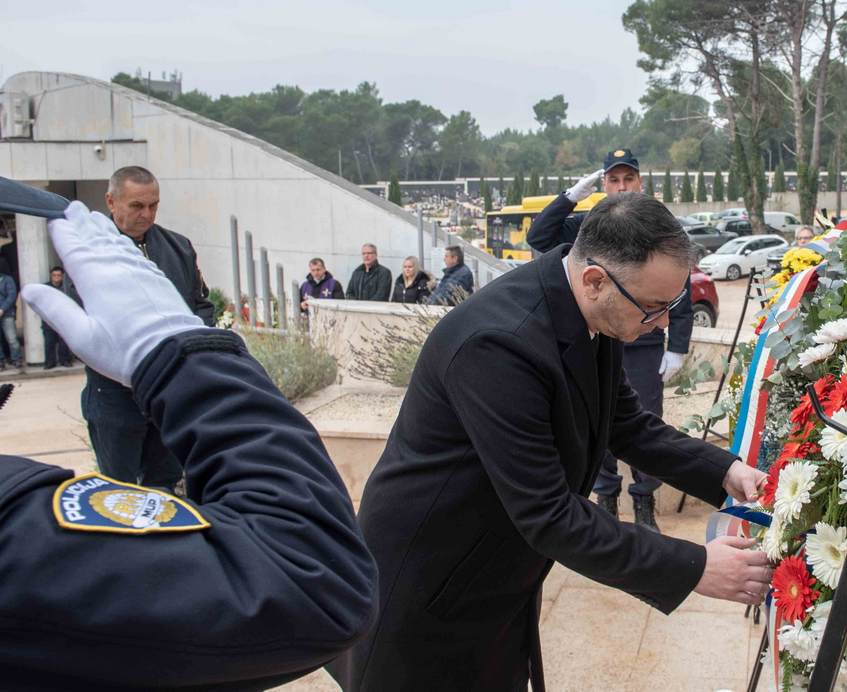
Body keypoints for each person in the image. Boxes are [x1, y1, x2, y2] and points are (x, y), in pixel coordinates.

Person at [329, 193, 770, 691]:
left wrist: (727, 472)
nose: (664, 322)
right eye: (652, 307)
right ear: (595, 279)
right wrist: (693, 568)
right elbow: (549, 513)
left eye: (671, 305)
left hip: (494, 573)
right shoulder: (498, 344)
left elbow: (626, 424)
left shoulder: (592, 311)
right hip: (430, 586)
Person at [3, 200, 377, 689]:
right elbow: (312, 576)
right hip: (128, 395)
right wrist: (184, 357)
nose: (146, 211)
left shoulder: (174, 245)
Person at [527, 148, 694, 531]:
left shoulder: (660, 227)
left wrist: (678, 347)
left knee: (646, 419)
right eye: (614, 180)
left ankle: (644, 502)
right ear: (604, 184)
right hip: (598, 338)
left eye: (628, 179)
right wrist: (570, 198)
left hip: (644, 342)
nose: (622, 186)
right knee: (596, 417)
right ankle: (605, 498)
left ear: (640, 182)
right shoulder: (591, 226)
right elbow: (540, 236)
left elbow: (678, 287)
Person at [83, 166, 215, 493]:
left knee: (165, 488)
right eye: (137, 206)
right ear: (111, 202)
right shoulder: (90, 253)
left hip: (169, 394)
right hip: (115, 398)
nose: (147, 214)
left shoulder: (179, 247)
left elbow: (200, 305)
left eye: (153, 205)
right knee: (119, 493)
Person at [42, 265, 74, 368]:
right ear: (51, 276)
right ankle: (50, 362)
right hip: (49, 317)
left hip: (63, 318)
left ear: (62, 276)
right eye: (54, 275)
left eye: (58, 275)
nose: (56, 277)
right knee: (49, 341)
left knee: (64, 341)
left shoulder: (66, 288)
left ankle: (65, 360)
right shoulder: (45, 288)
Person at [0, 266, 22, 371]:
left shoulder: (7, 279)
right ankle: (1, 361)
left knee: (12, 338)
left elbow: (12, 295)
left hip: (7, 313)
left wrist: (2, 309)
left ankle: (16, 359)